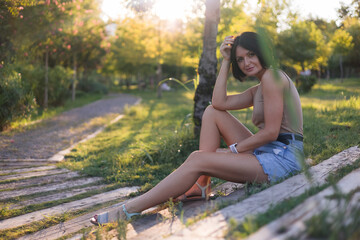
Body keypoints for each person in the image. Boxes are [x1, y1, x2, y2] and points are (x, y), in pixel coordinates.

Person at [90, 31, 304, 225]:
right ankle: (201, 186)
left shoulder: (272, 78)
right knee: (212, 112)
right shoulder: (258, 87)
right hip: (269, 152)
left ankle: (129, 210)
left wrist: (233, 150)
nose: (246, 62)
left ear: (261, 53)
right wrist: (225, 61)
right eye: (240, 59)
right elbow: (219, 102)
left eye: (251, 55)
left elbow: (271, 133)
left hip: (284, 159)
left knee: (199, 158)